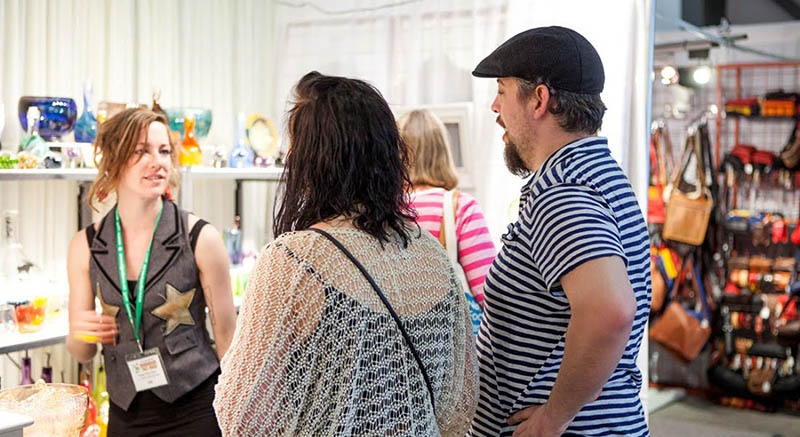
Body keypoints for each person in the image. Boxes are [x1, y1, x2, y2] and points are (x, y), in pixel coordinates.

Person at [213, 71, 478, 436]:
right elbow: (460, 402)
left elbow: (243, 412)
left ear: (313, 159)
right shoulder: (432, 254)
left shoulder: (294, 260)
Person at [469, 26, 650, 436]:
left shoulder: (562, 192)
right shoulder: (599, 175)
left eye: (502, 90)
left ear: (539, 99)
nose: (495, 106)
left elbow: (611, 310)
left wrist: (554, 417)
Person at [65, 108, 237, 435]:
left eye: (164, 151)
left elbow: (228, 340)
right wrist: (79, 332)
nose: (157, 162)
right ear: (114, 160)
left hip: (196, 411)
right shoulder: (84, 246)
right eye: (141, 151)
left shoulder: (200, 238)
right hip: (124, 415)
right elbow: (81, 351)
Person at [398, 109, 496, 308]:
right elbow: (491, 296)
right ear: (443, 152)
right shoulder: (460, 207)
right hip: (442, 324)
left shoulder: (379, 208)